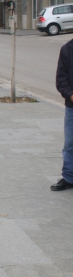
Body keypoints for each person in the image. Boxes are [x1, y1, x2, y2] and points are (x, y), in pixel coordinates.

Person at [52, 39, 73, 191]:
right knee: (70, 144)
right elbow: (61, 79)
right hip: (72, 106)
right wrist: (70, 95)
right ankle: (69, 177)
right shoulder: (67, 49)